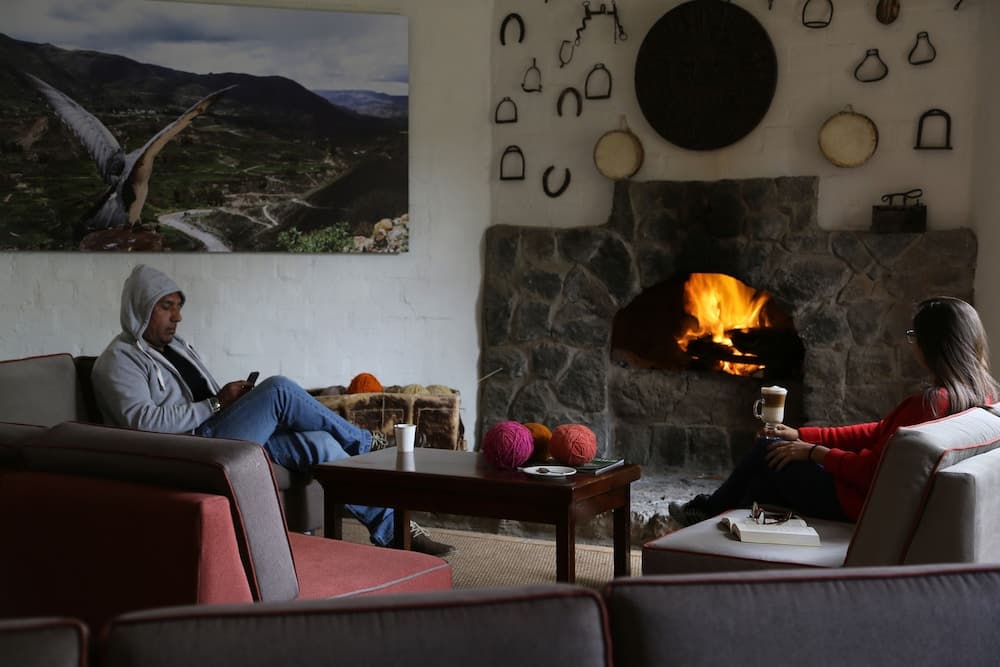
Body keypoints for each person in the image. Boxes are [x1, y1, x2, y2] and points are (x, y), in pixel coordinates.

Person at [91, 264, 455, 557]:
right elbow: (143, 423)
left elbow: (199, 400)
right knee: (279, 389)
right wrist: (217, 403)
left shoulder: (175, 348)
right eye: (166, 306)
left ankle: (395, 532)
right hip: (190, 451)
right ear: (141, 307)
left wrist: (230, 400)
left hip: (214, 434)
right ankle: (364, 442)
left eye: (178, 306)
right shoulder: (118, 361)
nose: (178, 316)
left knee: (320, 442)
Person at [669, 296, 1000, 527]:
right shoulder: (980, 397)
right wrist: (802, 435)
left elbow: (870, 472)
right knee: (762, 480)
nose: (911, 344)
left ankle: (707, 510)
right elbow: (876, 432)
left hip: (855, 501)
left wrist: (813, 452)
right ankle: (717, 527)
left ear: (933, 345)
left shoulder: (929, 403)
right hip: (866, 498)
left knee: (767, 448)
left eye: (914, 336)